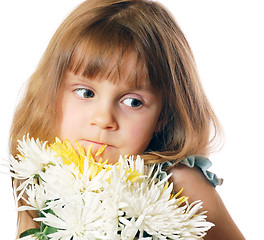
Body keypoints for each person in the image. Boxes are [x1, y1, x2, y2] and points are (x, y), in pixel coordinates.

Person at [9, 0, 245, 239]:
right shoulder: (40, 172)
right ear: (52, 92)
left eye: (133, 102)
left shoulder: (180, 182)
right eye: (85, 93)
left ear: (164, 115)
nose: (103, 119)